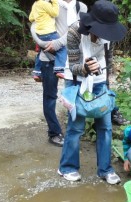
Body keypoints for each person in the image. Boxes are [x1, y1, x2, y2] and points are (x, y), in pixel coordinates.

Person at [57, 0, 127, 184]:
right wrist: (86, 69)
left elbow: (109, 64)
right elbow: (72, 66)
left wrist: (106, 87)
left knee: (105, 127)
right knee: (76, 128)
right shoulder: (74, 32)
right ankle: (67, 167)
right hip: (76, 82)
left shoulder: (109, 37)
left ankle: (105, 169)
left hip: (99, 83)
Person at [30, 0, 88, 147]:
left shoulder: (81, 7)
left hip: (75, 58)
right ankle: (54, 132)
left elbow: (81, 31)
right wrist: (45, 44)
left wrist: (59, 43)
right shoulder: (51, 4)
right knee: (50, 96)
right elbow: (35, 26)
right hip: (50, 56)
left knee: (76, 94)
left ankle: (74, 130)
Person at [29, 0, 68, 81]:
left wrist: (40, 16)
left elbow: (31, 18)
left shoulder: (35, 4)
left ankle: (37, 72)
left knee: (41, 51)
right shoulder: (44, 3)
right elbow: (55, 13)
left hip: (39, 33)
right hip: (49, 32)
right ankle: (59, 69)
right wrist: (54, 2)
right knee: (62, 49)